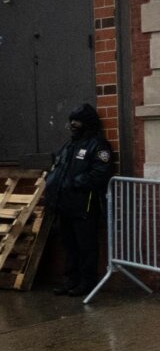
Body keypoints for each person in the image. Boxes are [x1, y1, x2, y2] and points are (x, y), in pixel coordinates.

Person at [45, 104, 113, 297]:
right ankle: (71, 280)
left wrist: (75, 183)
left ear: (87, 122)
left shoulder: (98, 145)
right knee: (69, 245)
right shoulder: (69, 145)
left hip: (85, 206)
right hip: (65, 205)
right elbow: (58, 168)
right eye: (71, 120)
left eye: (77, 120)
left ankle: (87, 283)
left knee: (86, 246)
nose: (73, 124)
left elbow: (101, 172)